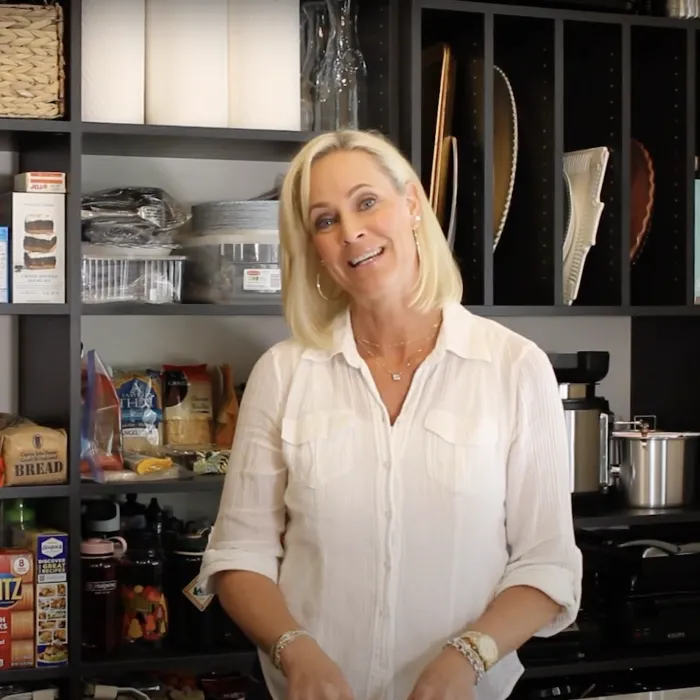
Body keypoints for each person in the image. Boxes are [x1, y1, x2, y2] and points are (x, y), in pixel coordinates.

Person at [199, 129, 582, 700]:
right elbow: (239, 554)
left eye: (366, 202)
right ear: (316, 250)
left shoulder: (513, 366)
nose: (351, 231)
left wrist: (467, 659)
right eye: (325, 220)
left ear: (411, 204)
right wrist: (294, 651)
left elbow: (548, 566)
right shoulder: (284, 373)